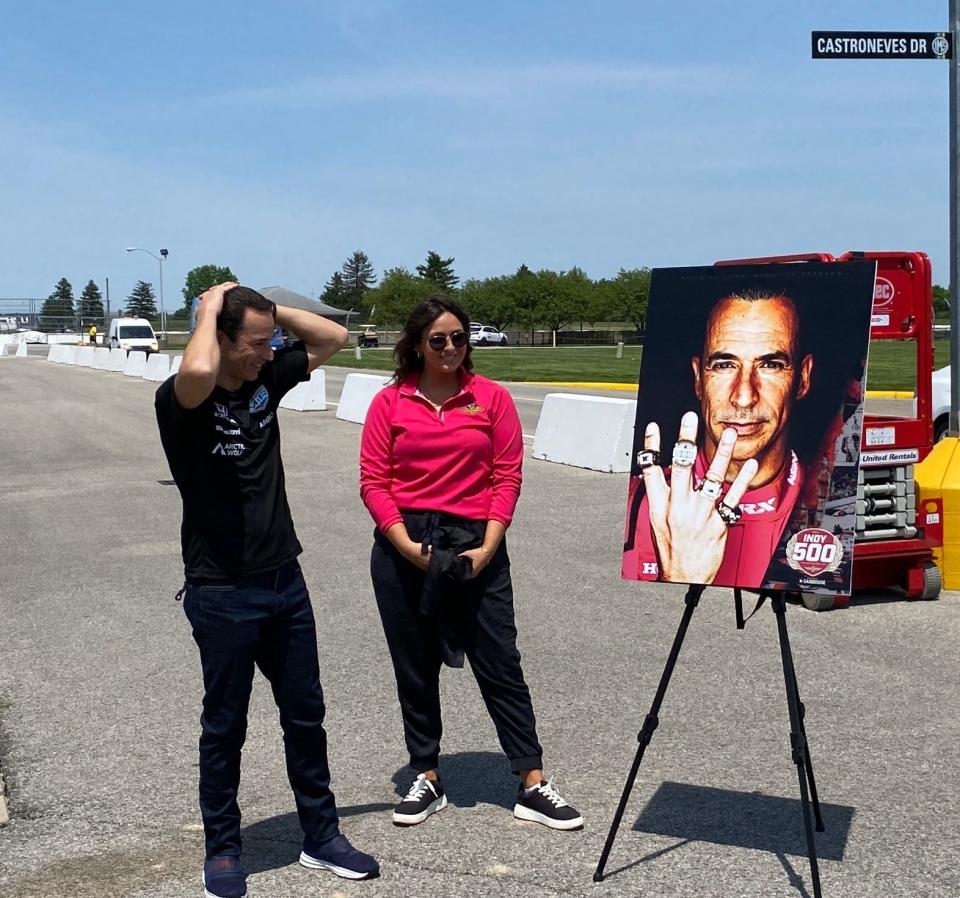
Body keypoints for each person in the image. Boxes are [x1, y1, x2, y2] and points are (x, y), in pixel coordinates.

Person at [155, 283, 379, 898]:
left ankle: (321, 835)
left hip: (285, 579)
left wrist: (269, 314)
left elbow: (331, 337)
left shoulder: (265, 379)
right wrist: (209, 309)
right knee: (225, 725)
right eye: (254, 344)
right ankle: (224, 849)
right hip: (220, 589)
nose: (267, 352)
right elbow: (199, 367)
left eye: (270, 342)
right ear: (220, 338)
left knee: (306, 716)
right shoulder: (182, 399)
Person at [359, 294, 583, 831]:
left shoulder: (492, 399)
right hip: (405, 543)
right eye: (438, 339)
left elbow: (507, 476)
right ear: (416, 344)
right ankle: (426, 775)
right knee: (414, 664)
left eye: (459, 338)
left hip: (475, 542)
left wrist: (488, 544)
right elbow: (374, 481)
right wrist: (406, 546)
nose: (452, 347)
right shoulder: (390, 402)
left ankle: (531, 781)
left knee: (499, 661)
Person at [622, 290, 813, 587]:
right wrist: (682, 573)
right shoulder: (643, 499)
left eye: (771, 364)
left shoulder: (830, 502)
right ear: (698, 378)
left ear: (802, 377)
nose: (744, 397)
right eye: (724, 365)